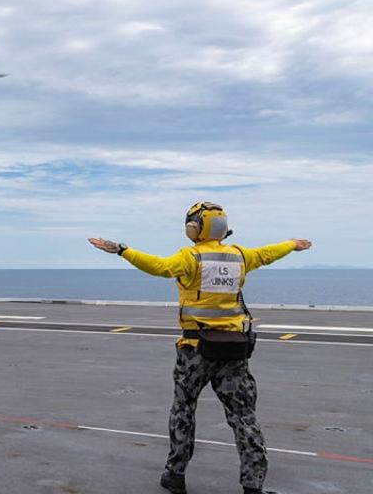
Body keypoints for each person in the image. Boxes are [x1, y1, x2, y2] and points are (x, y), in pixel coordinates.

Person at [88, 201, 312, 494]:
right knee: (244, 417)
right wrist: (292, 244)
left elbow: (158, 266)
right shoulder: (239, 256)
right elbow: (268, 254)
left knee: (183, 410)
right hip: (233, 351)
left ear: (195, 228)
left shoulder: (189, 257)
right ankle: (253, 486)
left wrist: (122, 250)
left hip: (195, 350)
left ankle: (175, 475)